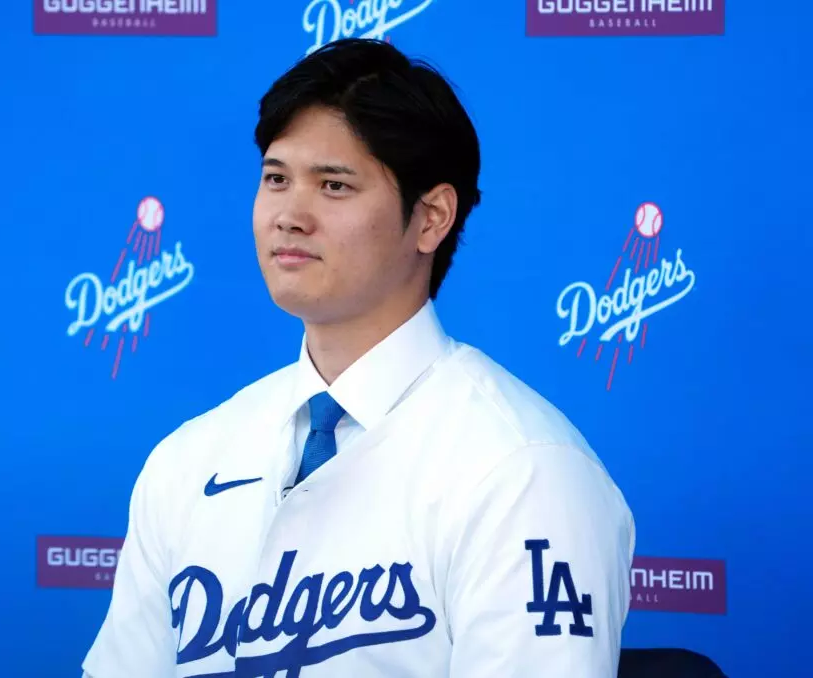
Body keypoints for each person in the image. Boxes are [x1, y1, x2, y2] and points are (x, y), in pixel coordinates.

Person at [81, 38, 635, 678]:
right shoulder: (188, 457)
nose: (290, 215)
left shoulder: (524, 472)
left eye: (334, 185)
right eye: (276, 178)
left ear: (431, 218)